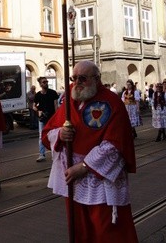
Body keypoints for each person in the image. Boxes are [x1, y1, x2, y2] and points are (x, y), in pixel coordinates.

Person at [41, 60, 138, 242]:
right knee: (80, 230)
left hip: (99, 179)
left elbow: (115, 145)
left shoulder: (111, 102)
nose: (77, 82)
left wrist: (84, 167)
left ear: (97, 78)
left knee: (106, 231)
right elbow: (48, 132)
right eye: (74, 78)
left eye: (83, 78)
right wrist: (61, 134)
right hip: (73, 180)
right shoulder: (70, 100)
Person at [33, 76, 59, 162]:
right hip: (42, 118)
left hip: (51, 118)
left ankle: (54, 154)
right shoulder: (37, 95)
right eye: (44, 82)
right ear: (40, 84)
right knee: (41, 136)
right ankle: (42, 154)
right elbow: (34, 106)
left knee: (53, 135)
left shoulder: (53, 93)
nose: (46, 83)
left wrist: (56, 117)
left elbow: (56, 106)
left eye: (46, 82)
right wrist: (38, 111)